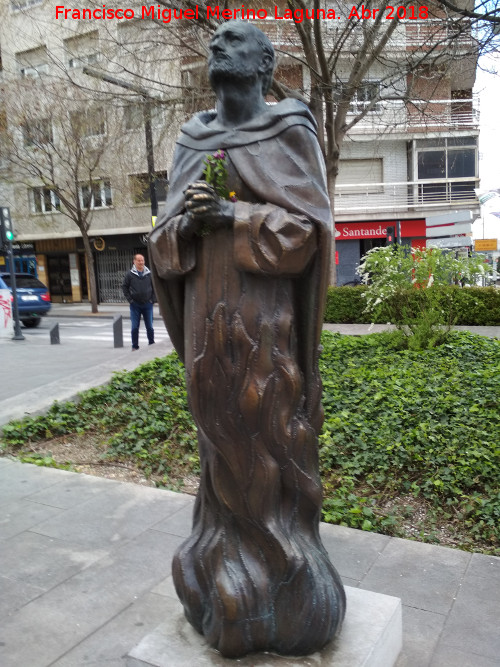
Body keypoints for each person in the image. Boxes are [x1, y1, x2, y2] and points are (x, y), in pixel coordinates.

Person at [149, 21, 345, 659]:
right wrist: (185, 225)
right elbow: (163, 248)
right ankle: (220, 566)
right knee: (219, 449)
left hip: (265, 329)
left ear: (265, 64)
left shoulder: (290, 128)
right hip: (209, 324)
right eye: (215, 41)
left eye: (234, 41)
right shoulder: (193, 139)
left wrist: (235, 215)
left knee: (270, 443)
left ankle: (283, 577)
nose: (217, 47)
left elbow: (308, 235)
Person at [122, 253, 155, 350]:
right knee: (134, 327)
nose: (141, 262)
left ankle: (152, 344)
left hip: (147, 304)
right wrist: (130, 300)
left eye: (142, 260)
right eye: (139, 260)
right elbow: (124, 287)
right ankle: (135, 346)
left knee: (149, 327)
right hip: (135, 305)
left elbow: (155, 287)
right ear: (134, 261)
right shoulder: (130, 274)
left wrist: (152, 300)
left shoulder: (149, 273)